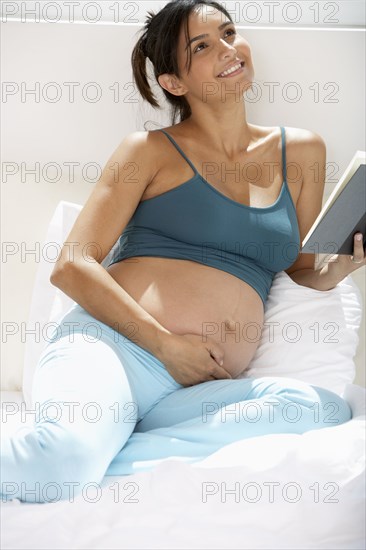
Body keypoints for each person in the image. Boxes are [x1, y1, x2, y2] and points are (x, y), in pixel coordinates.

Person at [1, 0, 364, 504]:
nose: (228, 49)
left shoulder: (301, 150)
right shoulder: (147, 151)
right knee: (58, 460)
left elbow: (299, 269)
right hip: (116, 352)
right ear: (174, 82)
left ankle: (109, 450)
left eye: (230, 32)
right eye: (202, 46)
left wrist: (339, 268)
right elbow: (71, 265)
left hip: (196, 390)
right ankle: (85, 451)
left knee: (322, 410)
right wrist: (167, 346)